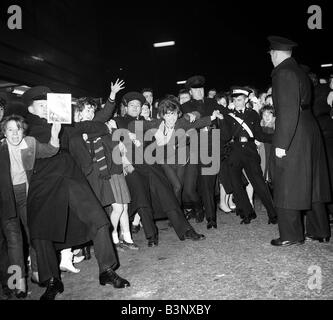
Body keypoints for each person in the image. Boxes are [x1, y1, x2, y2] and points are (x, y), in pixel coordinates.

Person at [22, 86, 130, 300]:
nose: (45, 109)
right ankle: (52, 280)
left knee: (98, 219)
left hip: (69, 173)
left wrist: (99, 127)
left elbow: (96, 125)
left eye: (47, 105)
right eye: (41, 106)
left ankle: (106, 270)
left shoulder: (64, 124)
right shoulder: (24, 128)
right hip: (42, 176)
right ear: (30, 108)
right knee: (41, 229)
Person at [268, 36, 331, 246]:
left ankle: (291, 235)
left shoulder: (283, 73)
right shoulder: (299, 71)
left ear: (275, 54)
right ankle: (320, 229)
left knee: (287, 182)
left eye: (270, 54)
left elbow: (287, 110)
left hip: (294, 132)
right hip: (309, 128)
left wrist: (281, 144)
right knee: (312, 182)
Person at [116, 91, 206, 240]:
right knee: (141, 199)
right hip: (132, 166)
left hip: (151, 163)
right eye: (131, 105)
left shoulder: (149, 121)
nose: (135, 108)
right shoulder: (118, 121)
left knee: (168, 194)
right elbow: (112, 136)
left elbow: (171, 125)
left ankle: (185, 230)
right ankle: (150, 235)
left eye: (138, 105)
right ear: (125, 107)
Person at [0, 115, 60, 298]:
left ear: (23, 131)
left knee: (34, 234)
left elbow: (51, 150)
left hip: (27, 195)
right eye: (10, 129)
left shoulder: (31, 143)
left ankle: (36, 272)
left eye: (18, 129)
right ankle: (19, 282)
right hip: (6, 198)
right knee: (14, 241)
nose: (15, 133)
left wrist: (55, 134)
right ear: (4, 132)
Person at [219, 87, 277, 225]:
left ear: (246, 100)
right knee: (237, 185)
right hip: (234, 151)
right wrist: (221, 120)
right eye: (234, 100)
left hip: (250, 151)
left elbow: (259, 135)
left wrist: (276, 138)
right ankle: (247, 213)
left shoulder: (253, 115)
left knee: (259, 183)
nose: (237, 102)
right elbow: (226, 136)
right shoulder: (228, 115)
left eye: (239, 100)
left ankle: (273, 213)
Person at [181, 75, 225, 229]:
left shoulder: (213, 102)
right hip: (200, 144)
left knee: (210, 181)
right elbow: (193, 123)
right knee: (205, 182)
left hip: (216, 141)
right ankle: (210, 217)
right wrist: (210, 117)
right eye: (195, 90)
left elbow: (223, 117)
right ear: (190, 92)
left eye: (201, 89)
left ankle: (214, 210)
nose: (199, 92)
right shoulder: (186, 106)